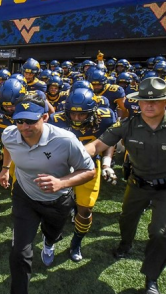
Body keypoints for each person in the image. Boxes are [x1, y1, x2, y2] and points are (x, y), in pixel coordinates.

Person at [84, 77, 166, 294]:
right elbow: (98, 145)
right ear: (138, 103)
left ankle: (151, 278)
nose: (150, 106)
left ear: (165, 102)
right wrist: (73, 155)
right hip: (138, 184)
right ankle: (125, 244)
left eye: (156, 101)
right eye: (145, 101)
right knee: (126, 219)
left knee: (160, 233)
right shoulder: (127, 125)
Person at [0, 92, 96, 294]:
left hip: (57, 200)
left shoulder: (65, 140)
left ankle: (50, 242)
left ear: (45, 116)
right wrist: (4, 169)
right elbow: (8, 148)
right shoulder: (10, 134)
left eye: (31, 121)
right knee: (19, 252)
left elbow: (89, 171)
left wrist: (61, 182)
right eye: (20, 121)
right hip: (25, 198)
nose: (24, 127)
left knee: (53, 234)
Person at [49, 88, 117, 261]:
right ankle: (51, 236)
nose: (77, 118)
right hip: (61, 166)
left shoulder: (105, 118)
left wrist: (108, 162)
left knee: (85, 209)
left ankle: (76, 241)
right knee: (53, 206)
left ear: (93, 111)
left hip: (89, 166)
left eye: (82, 115)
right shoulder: (56, 120)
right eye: (73, 114)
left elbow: (110, 140)